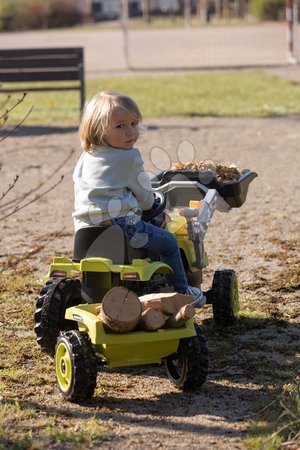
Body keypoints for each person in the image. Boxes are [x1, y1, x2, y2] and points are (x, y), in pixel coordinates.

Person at [72, 90, 206, 307]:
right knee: (169, 242)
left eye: (134, 123)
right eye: (120, 126)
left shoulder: (87, 156)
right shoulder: (129, 157)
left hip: (85, 226)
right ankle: (183, 292)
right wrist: (153, 201)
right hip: (121, 223)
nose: (130, 132)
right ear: (99, 130)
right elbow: (144, 198)